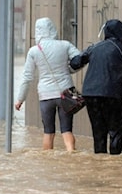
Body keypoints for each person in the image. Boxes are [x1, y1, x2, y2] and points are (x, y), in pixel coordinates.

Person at [70, 19, 122, 155]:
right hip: (111, 96)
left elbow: (75, 62)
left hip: (90, 96)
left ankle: (101, 163)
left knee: (99, 132)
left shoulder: (94, 48)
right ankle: (114, 162)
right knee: (116, 131)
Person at [15, 17, 81, 152]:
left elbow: (27, 77)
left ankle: (47, 159)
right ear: (53, 29)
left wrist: (20, 99)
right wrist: (69, 70)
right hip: (65, 94)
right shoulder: (65, 45)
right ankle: (72, 155)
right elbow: (80, 60)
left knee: (48, 132)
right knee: (66, 130)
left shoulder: (34, 51)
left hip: (45, 96)